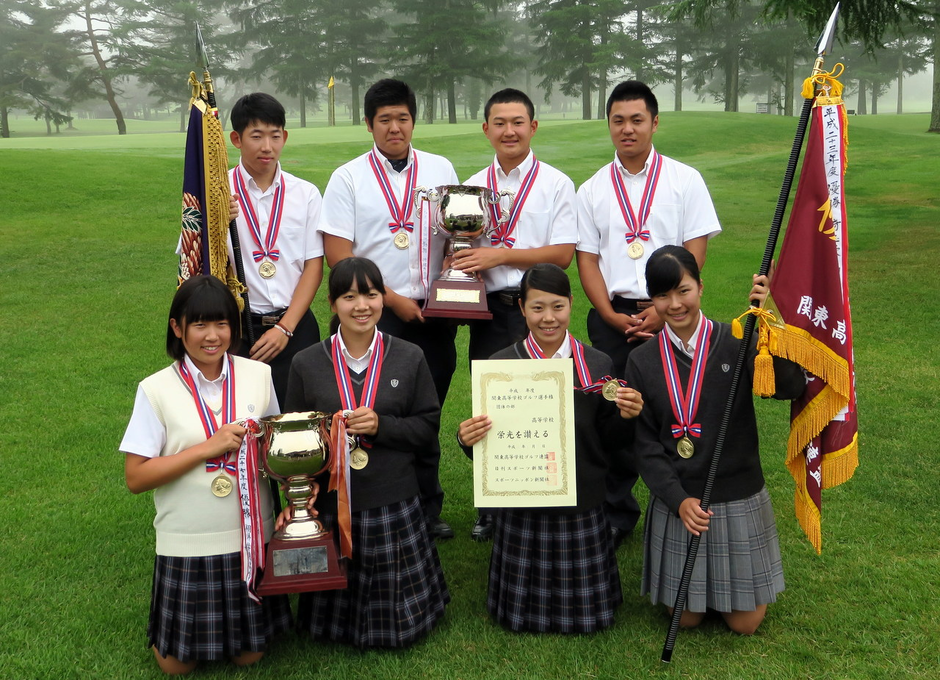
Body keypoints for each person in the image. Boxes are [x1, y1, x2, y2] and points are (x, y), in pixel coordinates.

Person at [624, 245, 804, 635]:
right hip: (682, 504)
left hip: (736, 495)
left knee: (745, 624)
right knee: (685, 619)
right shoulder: (642, 361)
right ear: (651, 299)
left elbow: (789, 386)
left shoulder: (738, 340)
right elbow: (646, 446)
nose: (675, 304)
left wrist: (771, 318)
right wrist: (678, 499)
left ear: (701, 287)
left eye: (683, 291)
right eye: (663, 295)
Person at [457, 263, 643, 634]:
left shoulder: (597, 363)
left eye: (557, 306)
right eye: (538, 307)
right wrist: (467, 439)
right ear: (522, 308)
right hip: (523, 498)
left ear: (571, 304)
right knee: (519, 612)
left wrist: (627, 417)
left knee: (587, 613)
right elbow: (491, 448)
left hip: (582, 496)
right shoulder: (500, 366)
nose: (548, 318)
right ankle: (520, 606)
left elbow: (612, 444)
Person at [576, 80, 722, 544]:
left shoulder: (684, 179)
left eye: (637, 119)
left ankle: (684, 505)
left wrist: (665, 307)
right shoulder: (593, 188)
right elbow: (588, 259)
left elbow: (695, 248)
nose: (627, 129)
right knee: (614, 416)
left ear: (654, 123)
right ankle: (617, 514)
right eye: (618, 120)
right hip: (614, 318)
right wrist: (610, 314)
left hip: (674, 314)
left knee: (679, 411)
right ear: (609, 126)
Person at [120, 275, 290, 674]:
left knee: (250, 656)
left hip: (249, 540)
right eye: (199, 324)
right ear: (177, 328)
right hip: (187, 543)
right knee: (176, 667)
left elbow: (274, 452)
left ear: (234, 327)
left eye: (222, 324)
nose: (212, 336)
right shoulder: (155, 390)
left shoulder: (258, 376)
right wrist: (207, 448)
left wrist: (295, 501)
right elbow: (136, 478)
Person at [318, 78, 459, 540]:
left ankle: (427, 506)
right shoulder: (349, 177)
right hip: (373, 313)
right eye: (384, 120)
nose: (394, 127)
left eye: (402, 118)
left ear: (414, 120)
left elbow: (456, 235)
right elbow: (339, 252)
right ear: (369, 125)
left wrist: (455, 273)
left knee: (424, 414)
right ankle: (366, 499)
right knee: (368, 410)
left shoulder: (440, 167)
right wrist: (392, 298)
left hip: (433, 316)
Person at [285, 257, 450, 648]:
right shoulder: (306, 363)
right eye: (349, 296)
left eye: (371, 295)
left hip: (393, 497)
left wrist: (383, 426)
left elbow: (427, 428)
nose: (362, 306)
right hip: (333, 500)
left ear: (383, 298)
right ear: (332, 303)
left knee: (398, 611)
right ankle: (332, 622)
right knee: (332, 620)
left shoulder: (409, 356)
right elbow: (293, 438)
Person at [459, 88, 578, 541]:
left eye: (517, 122)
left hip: (540, 314)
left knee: (545, 405)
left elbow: (562, 254)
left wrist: (498, 256)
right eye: (499, 122)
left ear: (533, 126)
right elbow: (460, 251)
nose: (509, 131)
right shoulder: (470, 187)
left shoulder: (555, 184)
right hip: (489, 312)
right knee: (492, 410)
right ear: (486, 128)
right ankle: (494, 506)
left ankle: (547, 491)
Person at [227, 92, 324, 406]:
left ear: (285, 137)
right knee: (243, 420)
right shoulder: (216, 192)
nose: (266, 147)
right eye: (256, 136)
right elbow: (197, 262)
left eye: (275, 135)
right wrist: (213, 222)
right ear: (236, 139)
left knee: (300, 426)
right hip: (239, 331)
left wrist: (286, 327)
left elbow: (313, 266)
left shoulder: (305, 194)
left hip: (295, 326)